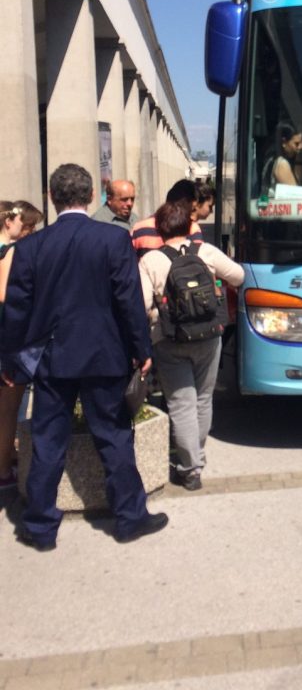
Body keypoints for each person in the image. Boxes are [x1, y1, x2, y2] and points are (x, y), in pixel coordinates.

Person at [0, 163, 168, 549]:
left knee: (47, 442)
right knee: (114, 437)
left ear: (51, 197)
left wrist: (9, 359)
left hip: (51, 358)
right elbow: (128, 300)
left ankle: (40, 527)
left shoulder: (30, 247)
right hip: (104, 355)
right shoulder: (113, 239)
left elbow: (16, 310)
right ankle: (130, 518)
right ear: (93, 196)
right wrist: (141, 349)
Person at [139, 201, 244, 491]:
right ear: (189, 225)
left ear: (159, 229)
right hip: (209, 335)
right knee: (203, 399)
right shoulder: (205, 251)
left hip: (169, 338)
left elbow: (142, 302)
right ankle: (196, 458)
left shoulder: (150, 260)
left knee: (181, 403)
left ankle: (191, 469)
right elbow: (238, 275)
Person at [0, 200, 43, 488]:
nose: (30, 232)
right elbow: (5, 296)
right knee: (8, 409)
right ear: (10, 222)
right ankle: (3, 470)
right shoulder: (10, 251)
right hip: (7, 338)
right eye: (27, 226)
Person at [131, 179, 207, 257]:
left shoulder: (139, 228)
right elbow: (199, 260)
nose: (193, 213)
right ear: (187, 204)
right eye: (193, 208)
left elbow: (130, 261)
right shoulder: (192, 228)